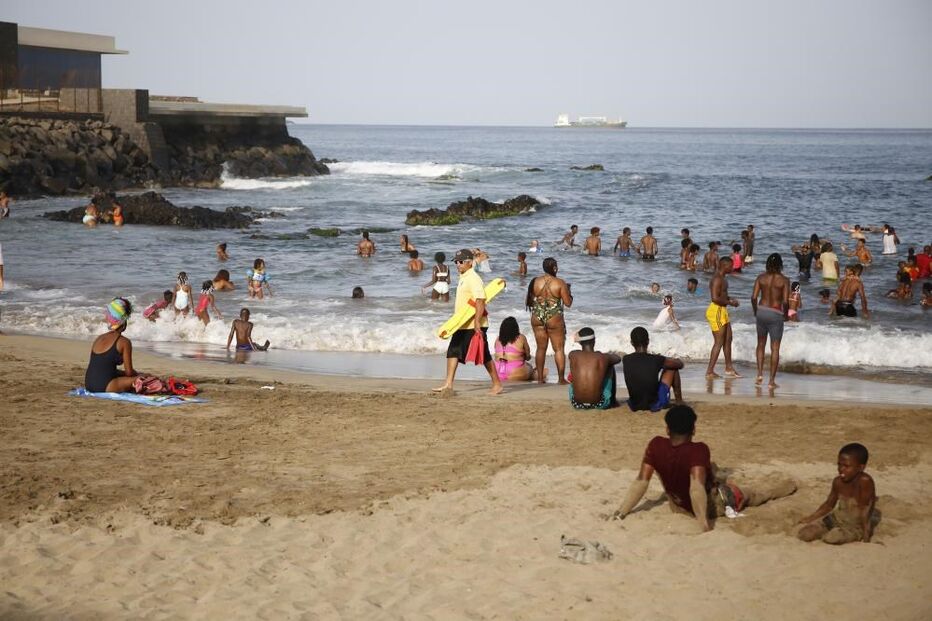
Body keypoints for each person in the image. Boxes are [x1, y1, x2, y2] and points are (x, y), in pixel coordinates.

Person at [611, 405, 797, 529]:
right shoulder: (698, 450)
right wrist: (704, 525)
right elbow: (696, 489)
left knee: (712, 469)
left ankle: (719, 478)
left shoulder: (655, 444)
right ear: (693, 430)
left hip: (676, 505)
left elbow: (641, 483)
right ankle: (780, 490)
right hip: (707, 507)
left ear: (668, 430)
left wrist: (621, 513)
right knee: (751, 495)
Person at [433, 249, 503, 395]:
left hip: (475, 324)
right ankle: (448, 384)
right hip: (461, 323)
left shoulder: (473, 278)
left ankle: (497, 384)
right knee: (453, 351)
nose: (457, 265)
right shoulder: (464, 276)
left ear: (469, 263)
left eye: (460, 262)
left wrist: (477, 322)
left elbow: (480, 300)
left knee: (484, 355)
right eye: (456, 262)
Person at [797, 443, 878, 544]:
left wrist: (866, 538)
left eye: (846, 466)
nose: (841, 469)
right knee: (805, 534)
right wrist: (810, 518)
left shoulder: (865, 481)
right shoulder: (838, 482)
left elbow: (866, 510)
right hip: (836, 519)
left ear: (860, 467)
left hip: (854, 526)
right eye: (839, 465)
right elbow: (828, 505)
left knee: (832, 537)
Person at [526, 257, 574, 384]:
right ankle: (560, 379)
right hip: (554, 317)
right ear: (554, 268)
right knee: (558, 349)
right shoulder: (560, 283)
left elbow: (530, 302)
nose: (557, 269)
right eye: (556, 266)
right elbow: (568, 303)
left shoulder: (535, 281)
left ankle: (540, 378)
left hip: (537, 316)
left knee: (541, 348)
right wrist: (569, 291)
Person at [622, 327, 683, 411]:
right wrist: (671, 360)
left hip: (634, 405)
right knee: (673, 368)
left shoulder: (626, 359)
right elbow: (680, 365)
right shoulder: (656, 359)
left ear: (632, 343)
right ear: (648, 341)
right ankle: (679, 402)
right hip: (653, 405)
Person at [751, 253, 790, 388]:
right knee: (775, 348)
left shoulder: (761, 278)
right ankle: (771, 381)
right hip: (775, 313)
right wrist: (785, 315)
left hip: (761, 311)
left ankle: (760, 374)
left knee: (760, 344)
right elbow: (785, 301)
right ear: (780, 264)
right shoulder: (784, 280)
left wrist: (756, 311)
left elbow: (753, 297)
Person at [84, 298, 139, 392]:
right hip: (105, 386)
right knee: (142, 379)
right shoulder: (124, 342)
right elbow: (129, 373)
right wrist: (138, 374)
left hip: (88, 384)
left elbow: (100, 367)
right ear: (124, 320)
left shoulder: (99, 338)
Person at [705, 257, 742, 379]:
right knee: (719, 342)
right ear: (724, 266)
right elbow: (715, 298)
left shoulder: (723, 279)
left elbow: (723, 295)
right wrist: (730, 303)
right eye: (730, 266)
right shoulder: (717, 279)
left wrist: (730, 299)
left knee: (728, 339)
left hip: (722, 310)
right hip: (716, 310)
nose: (732, 268)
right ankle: (710, 371)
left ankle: (729, 368)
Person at [567, 327, 620, 409]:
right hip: (599, 403)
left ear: (580, 342)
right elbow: (618, 359)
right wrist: (607, 356)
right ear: (594, 340)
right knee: (610, 365)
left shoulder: (573, 354)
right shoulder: (602, 357)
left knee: (576, 368)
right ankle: (613, 402)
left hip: (576, 403)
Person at [492, 316, 537, 381]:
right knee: (530, 367)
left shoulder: (498, 339)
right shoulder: (521, 338)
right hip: (515, 371)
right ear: (516, 328)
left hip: (497, 372)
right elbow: (528, 357)